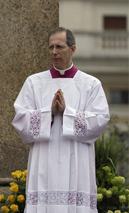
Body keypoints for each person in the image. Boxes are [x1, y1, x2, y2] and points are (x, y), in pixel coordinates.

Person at [12, 27, 110, 213]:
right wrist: (48, 112)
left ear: (72, 49)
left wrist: (68, 112)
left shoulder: (91, 84)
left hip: (77, 161)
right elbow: (21, 121)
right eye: (50, 47)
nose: (54, 52)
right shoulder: (34, 82)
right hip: (44, 159)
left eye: (59, 47)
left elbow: (100, 120)